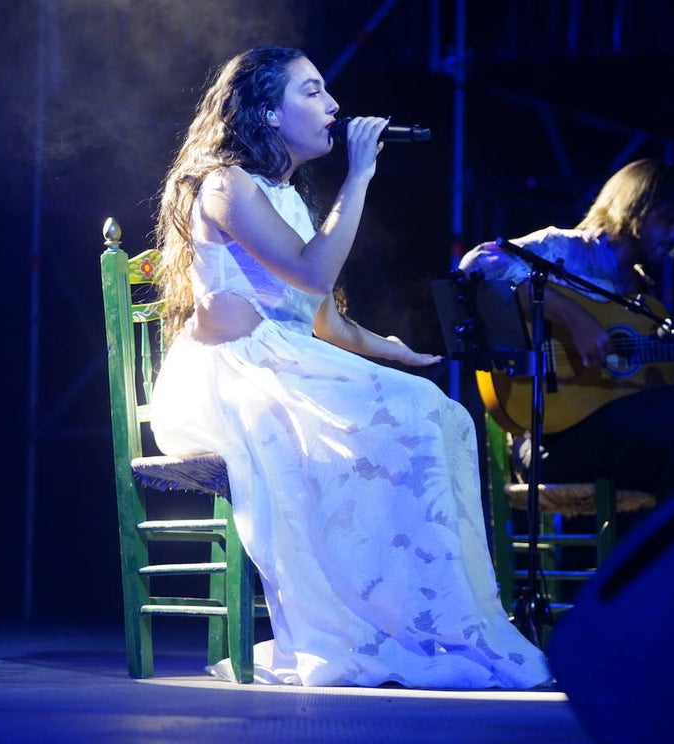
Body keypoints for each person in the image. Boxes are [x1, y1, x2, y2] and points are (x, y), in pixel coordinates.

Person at [148, 45, 551, 689]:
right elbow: (313, 270)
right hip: (230, 376)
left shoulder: (285, 196)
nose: (333, 106)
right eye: (311, 92)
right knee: (411, 419)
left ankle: (423, 618)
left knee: (440, 413)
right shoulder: (225, 183)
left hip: (285, 362)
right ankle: (374, 621)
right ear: (267, 113)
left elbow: (320, 317)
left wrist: (388, 348)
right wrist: (359, 175)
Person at [458, 158, 674, 503]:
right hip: (549, 442)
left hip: (614, 438)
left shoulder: (642, 293)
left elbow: (642, 397)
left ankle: (663, 546)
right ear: (636, 206)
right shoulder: (565, 249)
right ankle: (668, 547)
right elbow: (477, 265)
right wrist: (575, 318)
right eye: (668, 220)